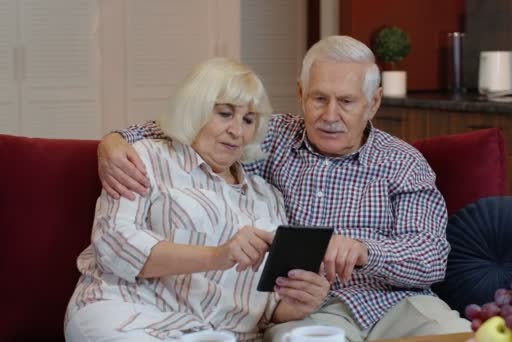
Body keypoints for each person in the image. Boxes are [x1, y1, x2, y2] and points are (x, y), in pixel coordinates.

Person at [97, 36, 471, 341]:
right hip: (308, 307)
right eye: (319, 98)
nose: (329, 116)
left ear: (372, 103)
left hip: (398, 303)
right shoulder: (269, 136)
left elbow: (432, 257)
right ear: (300, 94)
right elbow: (194, 125)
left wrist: (365, 251)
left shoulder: (402, 163)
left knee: (463, 337)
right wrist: (113, 141)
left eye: (346, 102)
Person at [65, 58, 330, 341]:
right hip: (129, 315)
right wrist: (217, 256)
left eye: (248, 120)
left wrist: (297, 303)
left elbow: (267, 308)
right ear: (195, 110)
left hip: (219, 334)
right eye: (225, 114)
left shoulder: (266, 197)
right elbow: (114, 244)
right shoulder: (147, 158)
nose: (237, 131)